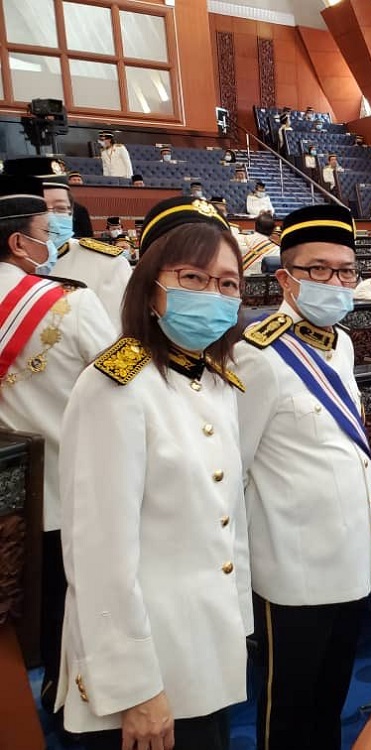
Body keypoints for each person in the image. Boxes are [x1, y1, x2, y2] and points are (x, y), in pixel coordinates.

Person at [57, 196, 252, 747]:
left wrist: (237, 628)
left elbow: (228, 523)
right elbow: (98, 554)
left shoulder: (217, 382)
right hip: (145, 666)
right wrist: (135, 687)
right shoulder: (114, 387)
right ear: (150, 286)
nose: (214, 295)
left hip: (203, 646)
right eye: (194, 276)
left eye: (229, 284)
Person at [235, 203, 371, 749]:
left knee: (331, 696)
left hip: (348, 558)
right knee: (288, 709)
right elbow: (236, 466)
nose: (336, 282)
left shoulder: (340, 342)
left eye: (346, 271)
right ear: (285, 277)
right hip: (292, 570)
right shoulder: (257, 354)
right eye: (318, 269)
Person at [0, 175, 115, 722]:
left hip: (10, 498)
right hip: (71, 487)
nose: (54, 238)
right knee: (75, 602)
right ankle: (74, 698)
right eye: (46, 230)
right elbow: (121, 373)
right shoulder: (67, 300)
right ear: (19, 243)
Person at [4, 157, 131, 321]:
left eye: (60, 208)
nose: (50, 218)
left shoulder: (107, 264)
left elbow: (121, 335)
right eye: (40, 209)